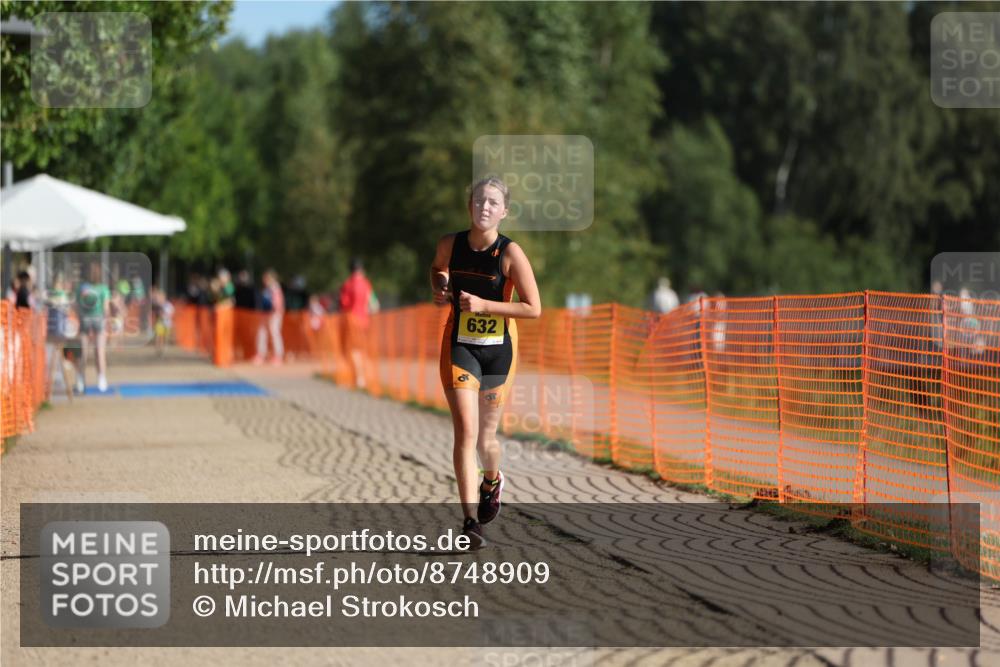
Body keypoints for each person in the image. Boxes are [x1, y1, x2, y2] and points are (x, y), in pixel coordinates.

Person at [430, 176, 541, 548]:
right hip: (460, 345)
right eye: (479, 200)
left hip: (498, 351)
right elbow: (437, 268)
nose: (485, 207)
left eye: (493, 202)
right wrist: (440, 284)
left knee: (486, 440)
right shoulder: (451, 244)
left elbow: (533, 308)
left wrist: (485, 306)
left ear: (504, 211)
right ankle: (470, 522)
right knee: (465, 431)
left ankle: (492, 480)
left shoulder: (510, 254)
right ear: (469, 206)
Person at [339, 258, 376, 389]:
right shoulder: (366, 284)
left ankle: (359, 378)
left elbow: (344, 304)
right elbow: (374, 305)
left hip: (351, 321)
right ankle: (365, 377)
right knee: (362, 349)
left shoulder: (347, 285)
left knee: (354, 350)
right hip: (365, 321)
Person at [74, 262, 111, 393]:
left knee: (83, 352)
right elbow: (106, 308)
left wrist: (80, 317)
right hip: (98, 320)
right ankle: (102, 379)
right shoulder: (103, 288)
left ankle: (80, 379)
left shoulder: (81, 287)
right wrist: (107, 322)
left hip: (85, 320)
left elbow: (76, 305)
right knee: (99, 351)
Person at [254, 269, 285, 365]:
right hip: (266, 313)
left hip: (274, 314)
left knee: (274, 332)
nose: (264, 280)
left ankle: (278, 355)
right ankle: (261, 353)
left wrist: (274, 310)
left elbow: (277, 303)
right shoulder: (267, 288)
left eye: (266, 278)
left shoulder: (275, 288)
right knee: (262, 332)